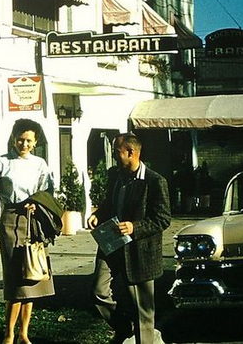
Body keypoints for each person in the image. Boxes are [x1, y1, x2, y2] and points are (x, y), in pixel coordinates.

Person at [88, 133, 171, 344]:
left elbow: (162, 219)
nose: (115, 157)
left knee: (143, 311)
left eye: (117, 153)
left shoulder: (154, 181)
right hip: (112, 244)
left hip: (140, 252)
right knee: (98, 292)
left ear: (131, 153)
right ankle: (124, 328)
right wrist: (98, 214)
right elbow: (110, 202)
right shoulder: (116, 175)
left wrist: (135, 227)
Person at [0, 118, 55, 344]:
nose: (24, 144)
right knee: (14, 279)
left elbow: (48, 191)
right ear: (14, 139)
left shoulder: (40, 164)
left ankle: (24, 333)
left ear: (35, 142)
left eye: (29, 141)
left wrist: (39, 203)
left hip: (33, 222)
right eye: (20, 139)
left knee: (31, 275)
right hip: (10, 222)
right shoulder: (0, 163)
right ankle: (9, 334)